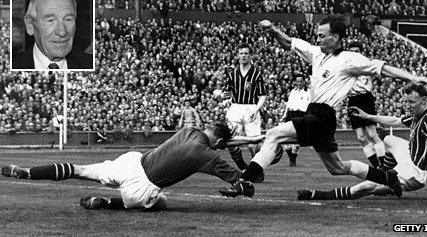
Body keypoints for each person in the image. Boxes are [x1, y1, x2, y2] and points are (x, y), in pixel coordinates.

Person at [219, 16, 427, 198]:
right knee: (338, 168)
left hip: (323, 116)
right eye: (317, 35)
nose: (318, 38)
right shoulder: (315, 52)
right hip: (316, 115)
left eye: (322, 35)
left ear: (336, 38)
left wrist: (414, 76)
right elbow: (289, 43)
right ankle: (386, 177)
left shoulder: (350, 59)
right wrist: (274, 30)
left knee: (275, 134)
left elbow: (385, 69)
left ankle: (245, 181)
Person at [2, 122, 264, 211]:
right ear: (218, 141)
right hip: (142, 187)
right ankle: (107, 203)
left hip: (130, 162)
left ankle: (27, 172)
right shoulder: (209, 156)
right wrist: (246, 184)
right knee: (160, 203)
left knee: (78, 170)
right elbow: (241, 181)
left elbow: (217, 139)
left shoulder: (190, 130)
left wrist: (248, 138)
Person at [298, 83, 427, 200]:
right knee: (389, 139)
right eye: (406, 101)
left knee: (367, 187)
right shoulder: (418, 115)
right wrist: (368, 117)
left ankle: (319, 195)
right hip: (409, 156)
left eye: (412, 102)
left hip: (416, 173)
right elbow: (395, 121)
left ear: (425, 100)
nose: (408, 105)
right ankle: (386, 175)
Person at [12, 0, 92, 70]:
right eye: (50, 20)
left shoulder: (90, 63)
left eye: (68, 19)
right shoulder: (13, 64)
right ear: (30, 25)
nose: (62, 32)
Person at [218, 44, 267, 174]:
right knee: (231, 142)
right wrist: (221, 95)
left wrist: (256, 110)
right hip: (235, 108)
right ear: (238, 55)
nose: (243, 56)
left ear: (250, 56)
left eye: (246, 53)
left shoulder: (256, 73)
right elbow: (225, 93)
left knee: (253, 145)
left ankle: (257, 170)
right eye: (241, 53)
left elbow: (262, 95)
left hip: (251, 108)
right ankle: (243, 167)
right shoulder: (232, 72)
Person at [346, 42, 386, 169]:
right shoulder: (345, 66)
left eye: (357, 51)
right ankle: (376, 166)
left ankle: (385, 165)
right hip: (352, 100)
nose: (355, 53)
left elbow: (381, 70)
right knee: (361, 137)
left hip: (365, 98)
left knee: (373, 134)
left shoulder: (368, 64)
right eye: (352, 51)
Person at [280, 74, 312, 167]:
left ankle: (293, 159)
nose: (299, 83)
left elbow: (310, 106)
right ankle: (292, 160)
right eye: (297, 81)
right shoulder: (293, 91)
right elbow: (288, 105)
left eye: (301, 81)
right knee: (286, 142)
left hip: (301, 115)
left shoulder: (309, 92)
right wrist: (284, 115)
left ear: (304, 82)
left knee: (298, 143)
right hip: (290, 115)